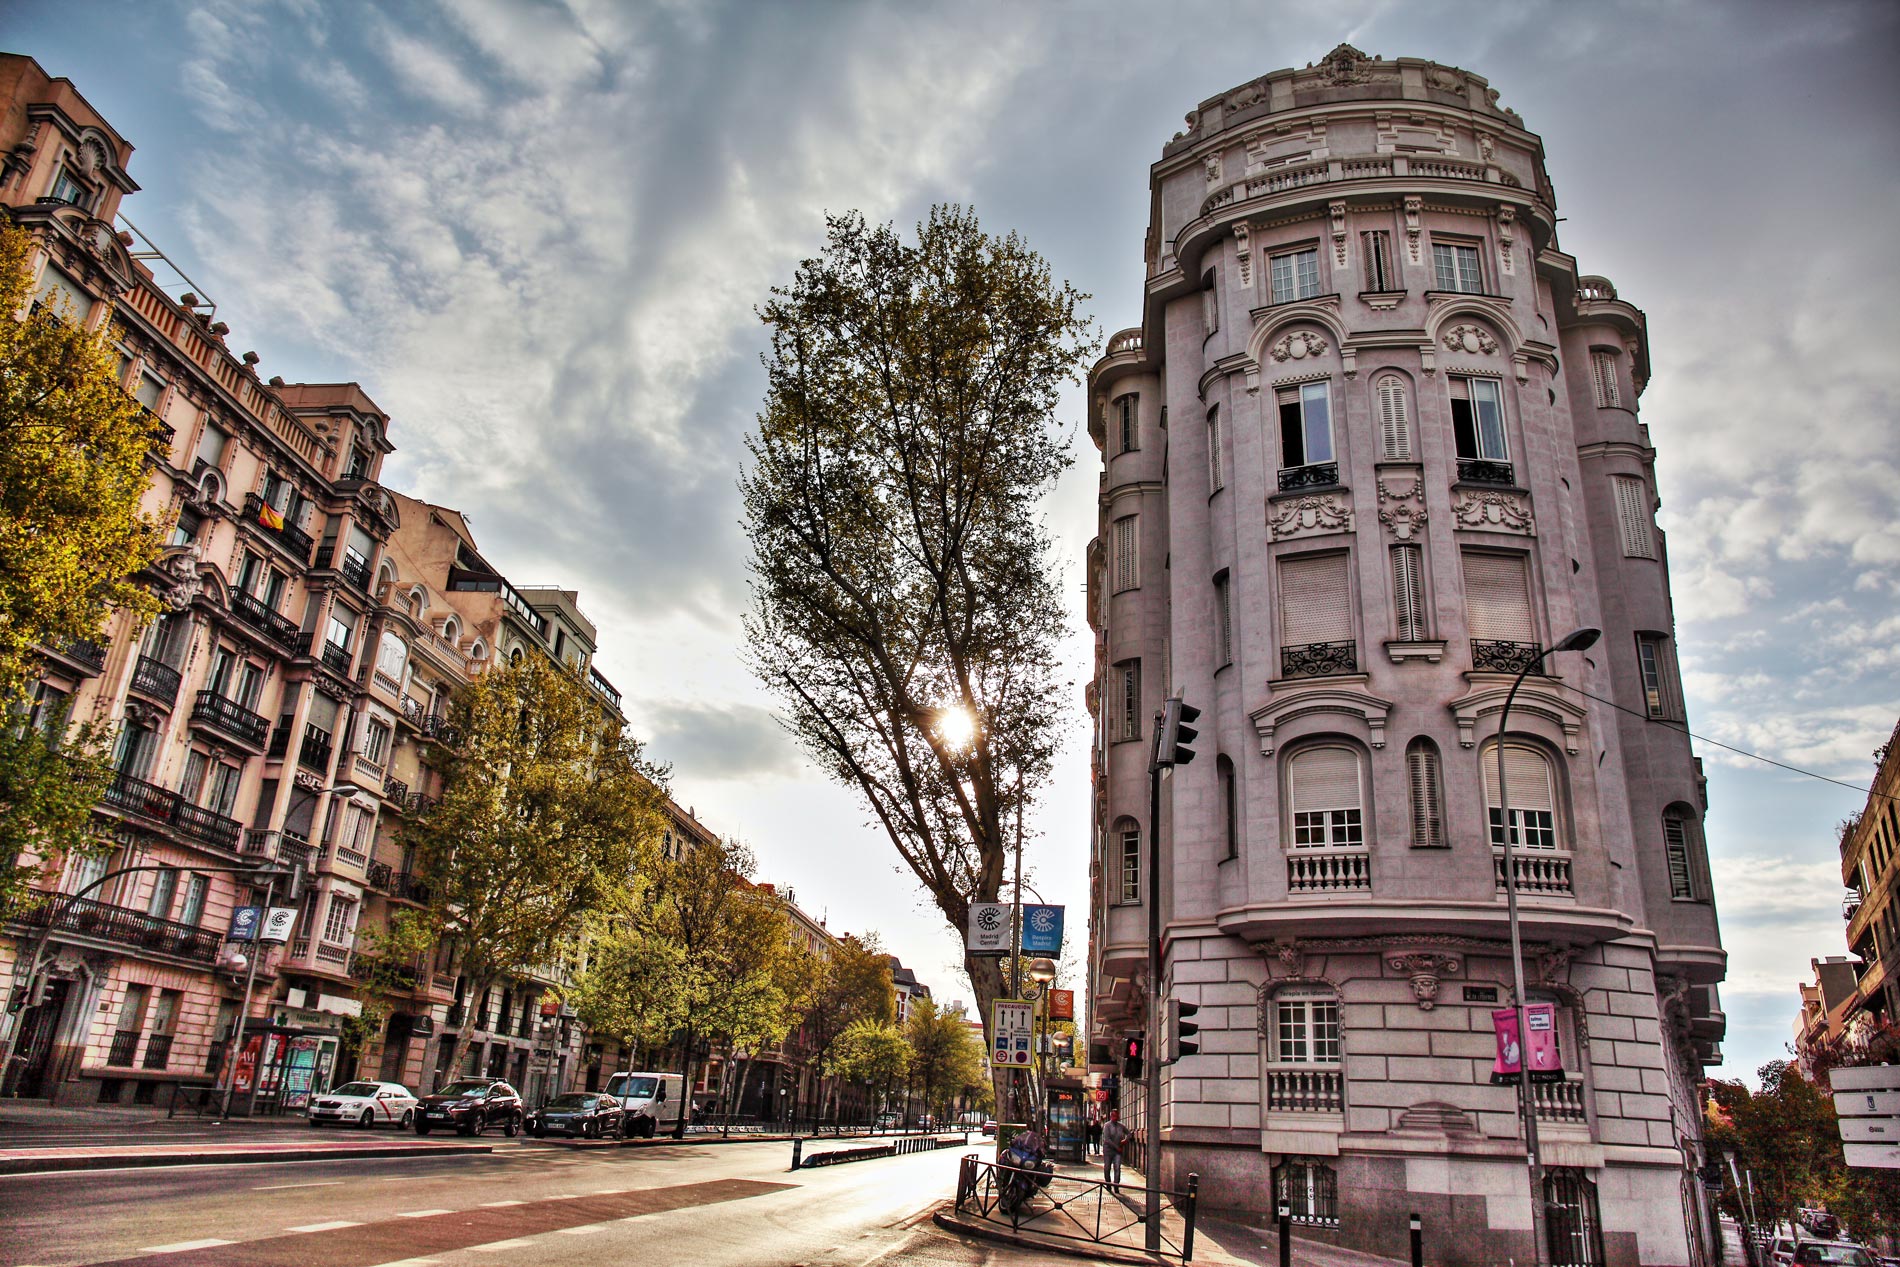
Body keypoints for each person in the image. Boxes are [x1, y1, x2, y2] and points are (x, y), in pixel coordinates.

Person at [1100, 1108, 1131, 1193]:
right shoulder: (1107, 1125)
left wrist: (1125, 1140)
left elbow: (1129, 1133)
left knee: (1117, 1168)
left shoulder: (1121, 1126)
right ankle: (1108, 1185)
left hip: (1117, 1151)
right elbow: (1107, 1139)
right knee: (1107, 1168)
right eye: (1113, 1115)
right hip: (1108, 1150)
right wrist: (1117, 1147)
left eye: (1116, 1115)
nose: (1114, 1117)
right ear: (1110, 1116)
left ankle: (1116, 1186)